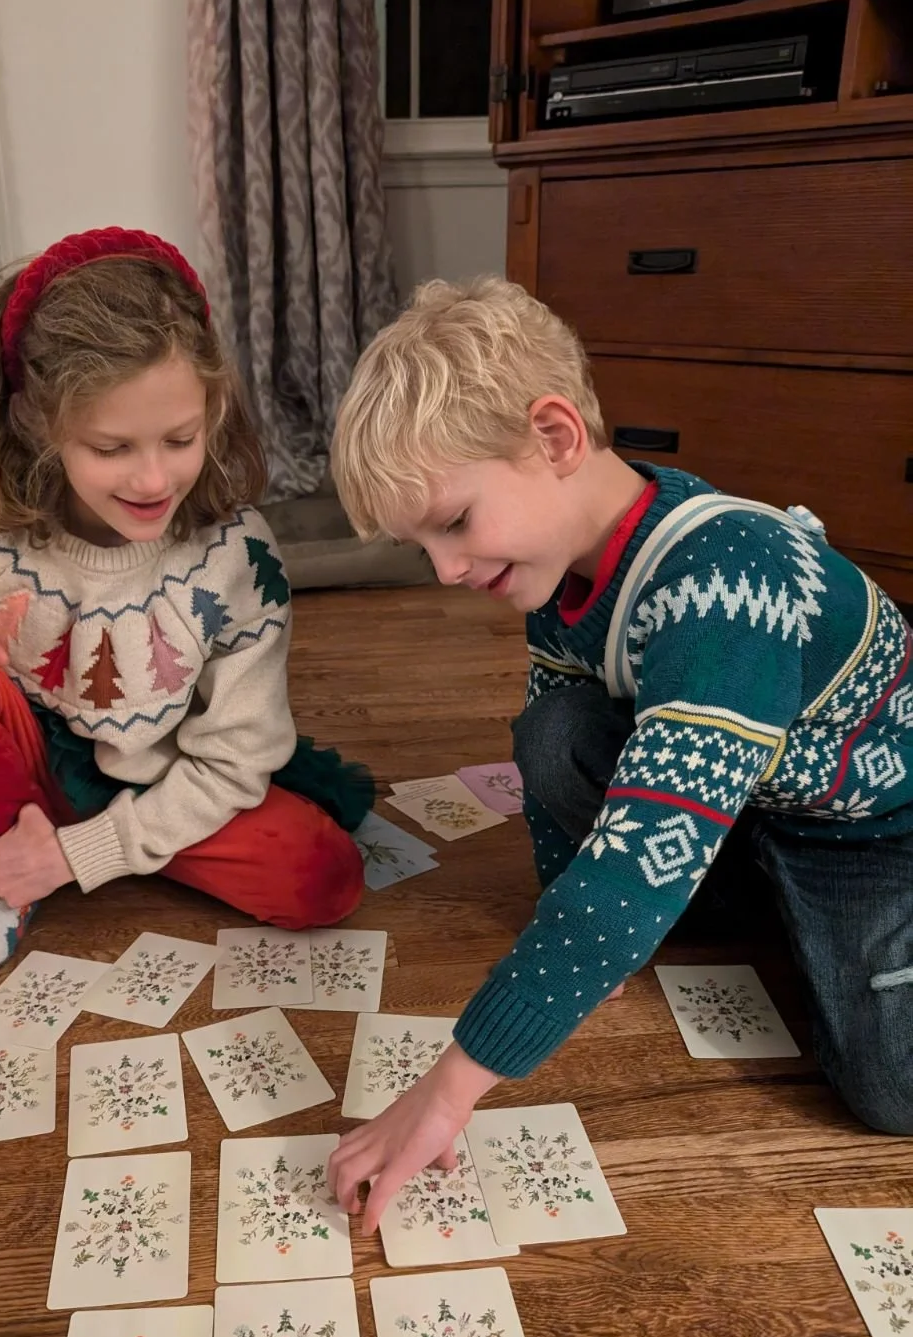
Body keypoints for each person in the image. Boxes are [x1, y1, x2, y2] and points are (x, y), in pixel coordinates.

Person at [326, 274, 913, 1231]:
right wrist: (567, 919)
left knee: (890, 1089)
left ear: (554, 438)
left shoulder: (727, 581)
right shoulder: (561, 573)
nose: (444, 570)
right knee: (555, 734)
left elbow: (632, 866)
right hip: (756, 797)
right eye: (420, 546)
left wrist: (451, 1086)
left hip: (871, 826)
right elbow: (560, 776)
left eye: (456, 522)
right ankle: (721, 878)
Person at [0, 226, 370, 972]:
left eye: (180, 439)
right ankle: (7, 863)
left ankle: (41, 855)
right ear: (36, 423)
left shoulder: (239, 555)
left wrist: (83, 852)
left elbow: (236, 759)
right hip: (4, 764)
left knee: (322, 878)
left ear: (212, 406)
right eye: (111, 449)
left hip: (160, 778)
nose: (152, 481)